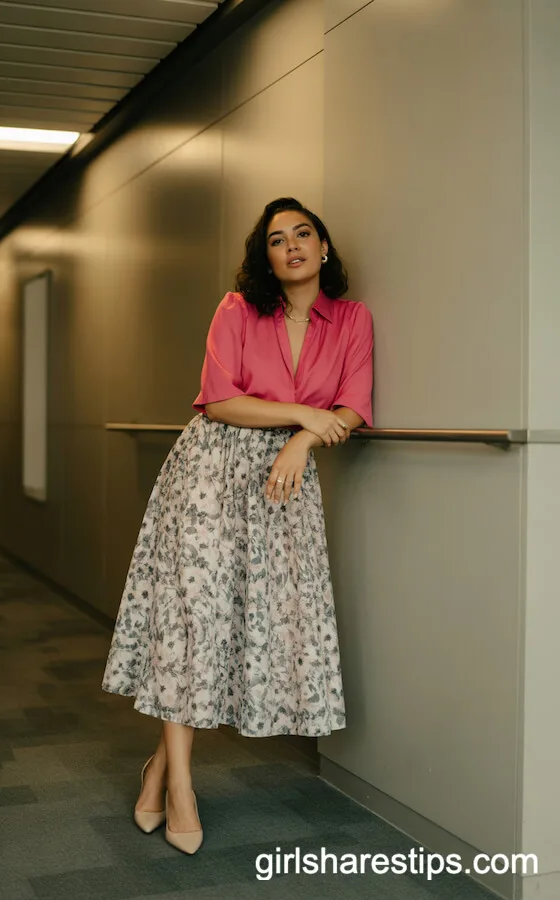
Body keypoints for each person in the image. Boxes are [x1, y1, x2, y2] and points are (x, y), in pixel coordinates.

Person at [102, 197, 374, 855]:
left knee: (243, 622)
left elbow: (355, 404)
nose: (292, 246)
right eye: (277, 240)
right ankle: (184, 787)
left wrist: (301, 441)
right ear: (267, 258)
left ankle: (159, 767)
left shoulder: (353, 321)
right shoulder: (237, 309)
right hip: (209, 468)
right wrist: (303, 415)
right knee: (193, 618)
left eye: (303, 234)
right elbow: (219, 399)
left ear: (325, 247)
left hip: (282, 484)